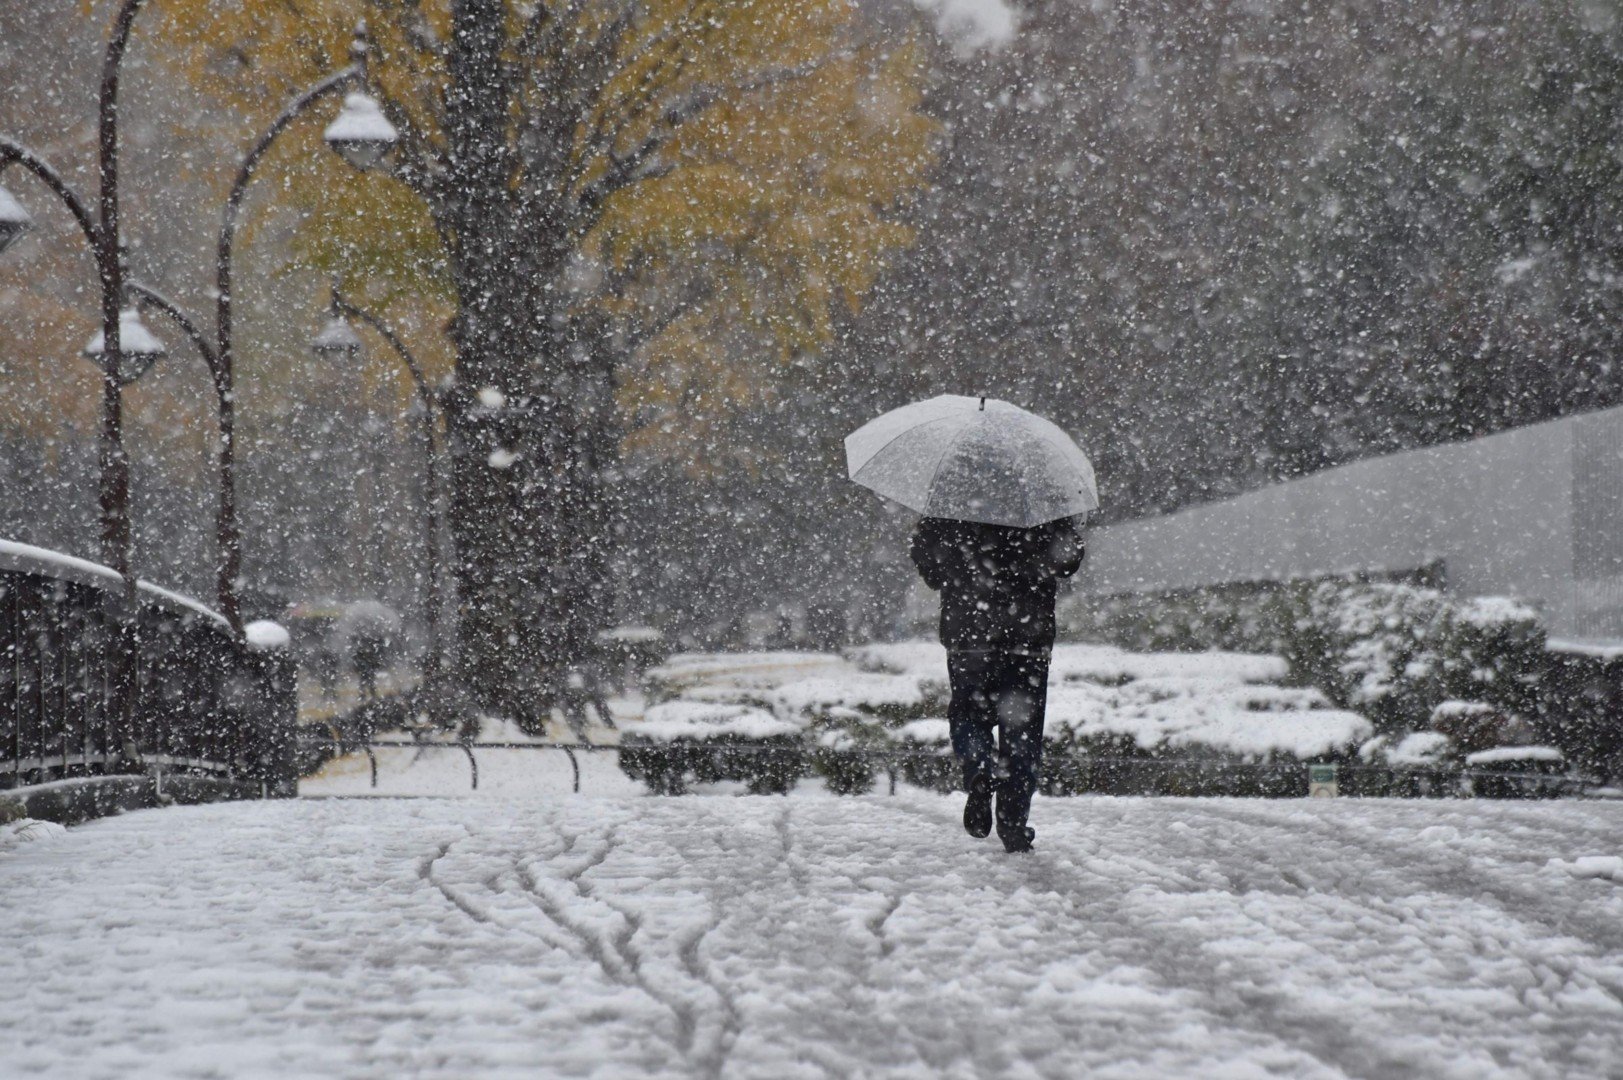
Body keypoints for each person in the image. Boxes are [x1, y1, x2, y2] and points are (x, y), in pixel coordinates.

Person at [910, 515, 1085, 852]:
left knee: (968, 714)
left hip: (969, 636)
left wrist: (953, 556)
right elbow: (1067, 562)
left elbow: (930, 568)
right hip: (1027, 638)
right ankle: (1013, 825)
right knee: (1022, 730)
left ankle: (979, 769)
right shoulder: (1042, 497)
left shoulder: (950, 500)